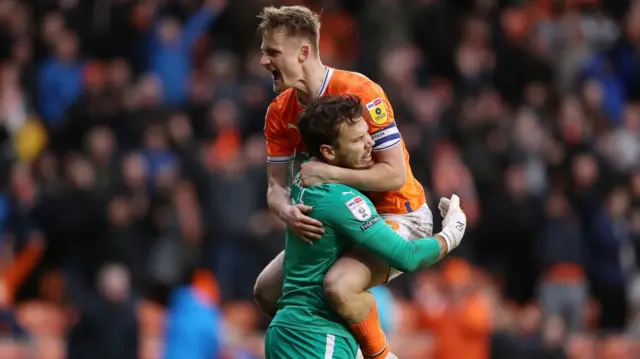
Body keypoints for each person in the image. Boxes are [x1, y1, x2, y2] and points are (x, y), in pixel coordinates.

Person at [255, 6, 431, 358]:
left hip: (398, 215)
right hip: (341, 224)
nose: (263, 61)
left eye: (272, 52)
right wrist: (286, 211)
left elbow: (394, 173)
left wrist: (330, 173)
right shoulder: (279, 112)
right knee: (267, 290)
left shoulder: (360, 90)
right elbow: (276, 188)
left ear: (303, 52)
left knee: (338, 286)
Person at [264, 95, 467, 359]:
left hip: (285, 332)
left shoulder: (306, 179)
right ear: (328, 152)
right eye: (358, 140)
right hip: (318, 337)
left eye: (367, 134)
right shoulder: (341, 200)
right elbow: (406, 255)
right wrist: (452, 232)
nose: (370, 143)